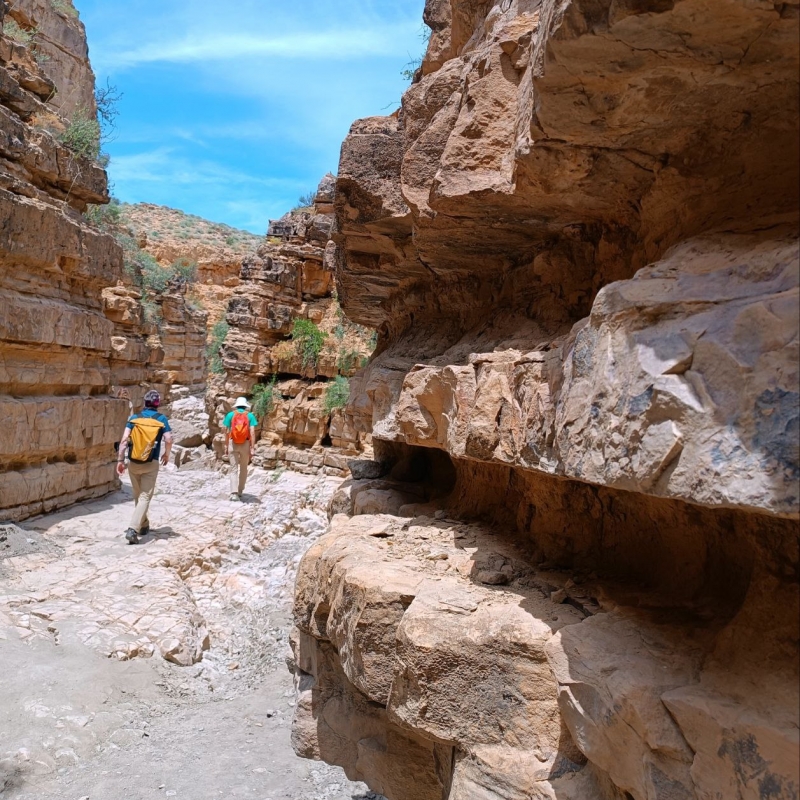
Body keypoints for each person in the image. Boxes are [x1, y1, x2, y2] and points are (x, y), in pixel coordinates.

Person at [116, 389, 173, 545]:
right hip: (150, 463)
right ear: (157, 404)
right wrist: (167, 454)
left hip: (133, 462)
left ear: (145, 402)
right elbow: (168, 439)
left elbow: (123, 441)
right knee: (145, 496)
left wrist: (120, 461)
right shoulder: (161, 419)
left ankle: (144, 525)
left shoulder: (134, 418)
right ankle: (133, 529)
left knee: (138, 495)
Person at [223, 397, 258, 501]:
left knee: (233, 468)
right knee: (243, 468)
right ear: (245, 405)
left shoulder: (230, 415)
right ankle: (240, 491)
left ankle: (234, 493)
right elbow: (252, 432)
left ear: (237, 405)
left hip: (232, 443)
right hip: (245, 444)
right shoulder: (250, 416)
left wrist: (226, 445)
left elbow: (226, 431)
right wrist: (252, 447)